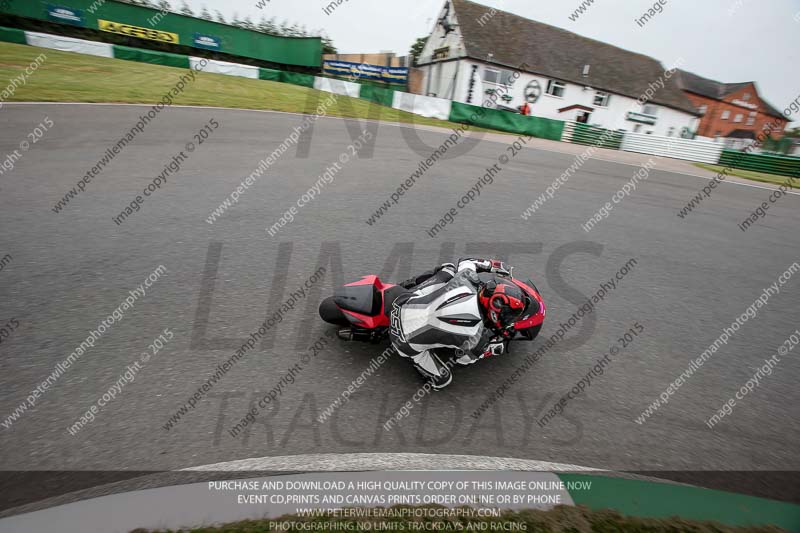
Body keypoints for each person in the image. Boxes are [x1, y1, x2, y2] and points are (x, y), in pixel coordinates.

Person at [389, 258, 532, 389]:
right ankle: (415, 359)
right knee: (443, 380)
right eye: (508, 315)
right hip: (402, 340)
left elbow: (466, 261)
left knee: (449, 269)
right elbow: (462, 360)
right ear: (495, 311)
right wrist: (493, 347)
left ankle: (406, 286)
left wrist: (493, 265)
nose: (510, 318)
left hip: (402, 302)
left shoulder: (466, 280)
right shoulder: (477, 336)